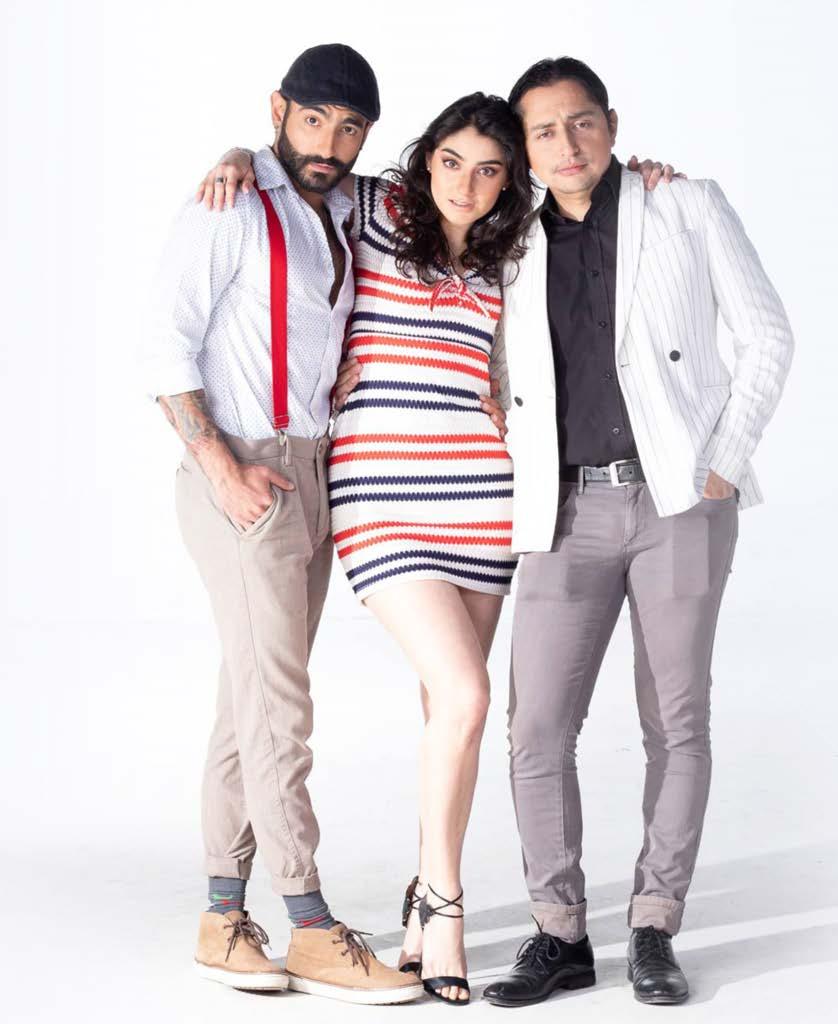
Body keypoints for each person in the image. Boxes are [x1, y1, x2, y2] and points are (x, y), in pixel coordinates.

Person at [200, 90, 675, 1002]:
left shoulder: (516, 250)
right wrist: (231, 154)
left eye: (489, 170)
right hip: (382, 494)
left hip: (483, 499)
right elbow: (295, 167)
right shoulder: (376, 209)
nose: (466, 183)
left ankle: (425, 900)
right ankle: (447, 904)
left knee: (446, 714)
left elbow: (579, 268)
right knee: (468, 693)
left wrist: (649, 177)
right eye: (451, 162)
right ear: (426, 162)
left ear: (508, 183)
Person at [478, 57, 794, 1008]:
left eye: (581, 122)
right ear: (524, 149)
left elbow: (767, 335)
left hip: (677, 503)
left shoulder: (685, 205)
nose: (566, 144)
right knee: (536, 728)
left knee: (676, 722)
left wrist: (721, 462)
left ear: (611, 125)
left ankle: (655, 924)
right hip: (560, 509)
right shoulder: (508, 240)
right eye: (543, 131)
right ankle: (560, 932)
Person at [143, 43, 427, 1005]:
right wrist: (220, 467)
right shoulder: (225, 205)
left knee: (252, 702)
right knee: (282, 708)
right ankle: (307, 923)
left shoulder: (348, 205)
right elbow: (162, 346)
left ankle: (223, 919)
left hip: (313, 471)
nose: (329, 144)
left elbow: (459, 186)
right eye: (313, 121)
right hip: (242, 471)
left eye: (350, 129)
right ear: (279, 109)